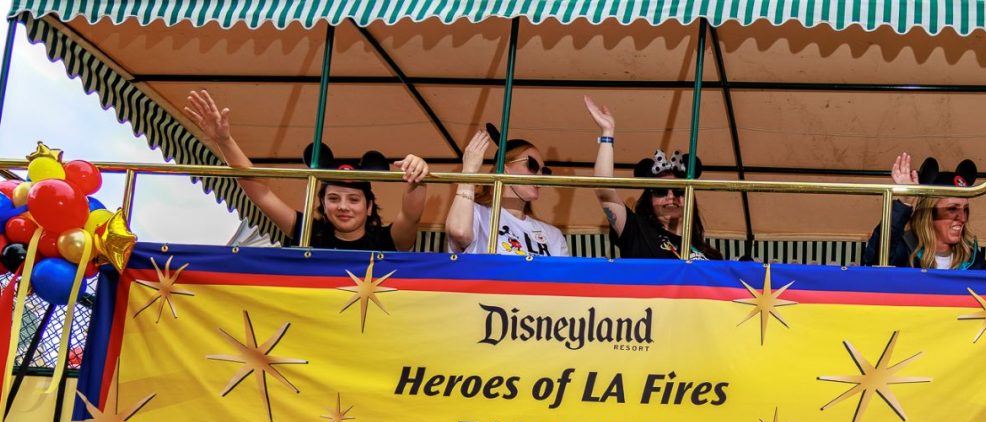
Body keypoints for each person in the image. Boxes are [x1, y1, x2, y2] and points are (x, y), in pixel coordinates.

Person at [184, 89, 428, 251]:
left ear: (369, 206)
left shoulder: (388, 240)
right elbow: (261, 194)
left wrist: (417, 174)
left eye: (354, 199)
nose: (343, 206)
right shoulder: (309, 232)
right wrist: (224, 141)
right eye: (334, 198)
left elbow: (411, 216)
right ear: (322, 203)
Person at [585, 96, 723, 260]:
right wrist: (607, 133)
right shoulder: (637, 232)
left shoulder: (710, 255)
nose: (671, 196)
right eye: (660, 191)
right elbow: (603, 190)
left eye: (679, 190)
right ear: (649, 198)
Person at [445, 125, 568, 258]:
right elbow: (459, 232)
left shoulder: (553, 235)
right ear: (505, 168)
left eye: (544, 171)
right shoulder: (475, 213)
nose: (540, 176)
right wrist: (469, 171)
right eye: (532, 165)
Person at [863, 153, 986, 270]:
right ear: (929, 212)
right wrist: (905, 201)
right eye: (952, 209)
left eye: (965, 209)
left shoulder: (973, 259)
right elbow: (874, 263)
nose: (963, 218)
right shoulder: (906, 249)